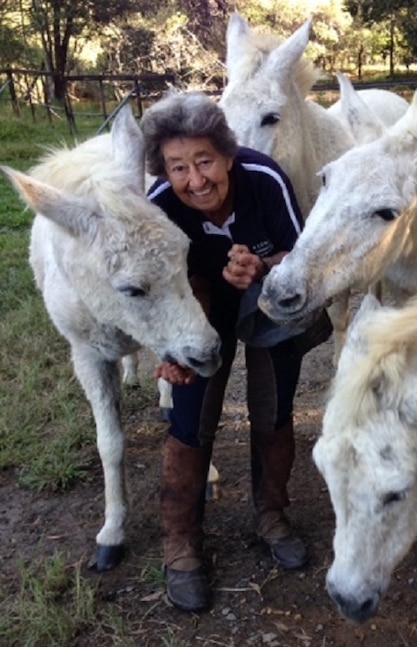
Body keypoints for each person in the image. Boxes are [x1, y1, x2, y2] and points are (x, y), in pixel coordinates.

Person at [140, 92, 328, 613]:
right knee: (190, 415)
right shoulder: (159, 205)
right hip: (196, 305)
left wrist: (262, 268)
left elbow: (302, 254)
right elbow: (158, 288)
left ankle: (271, 514)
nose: (195, 180)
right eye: (179, 167)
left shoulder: (264, 178)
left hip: (267, 297)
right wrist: (169, 347)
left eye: (204, 161)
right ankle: (180, 539)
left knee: (273, 405)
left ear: (227, 155)